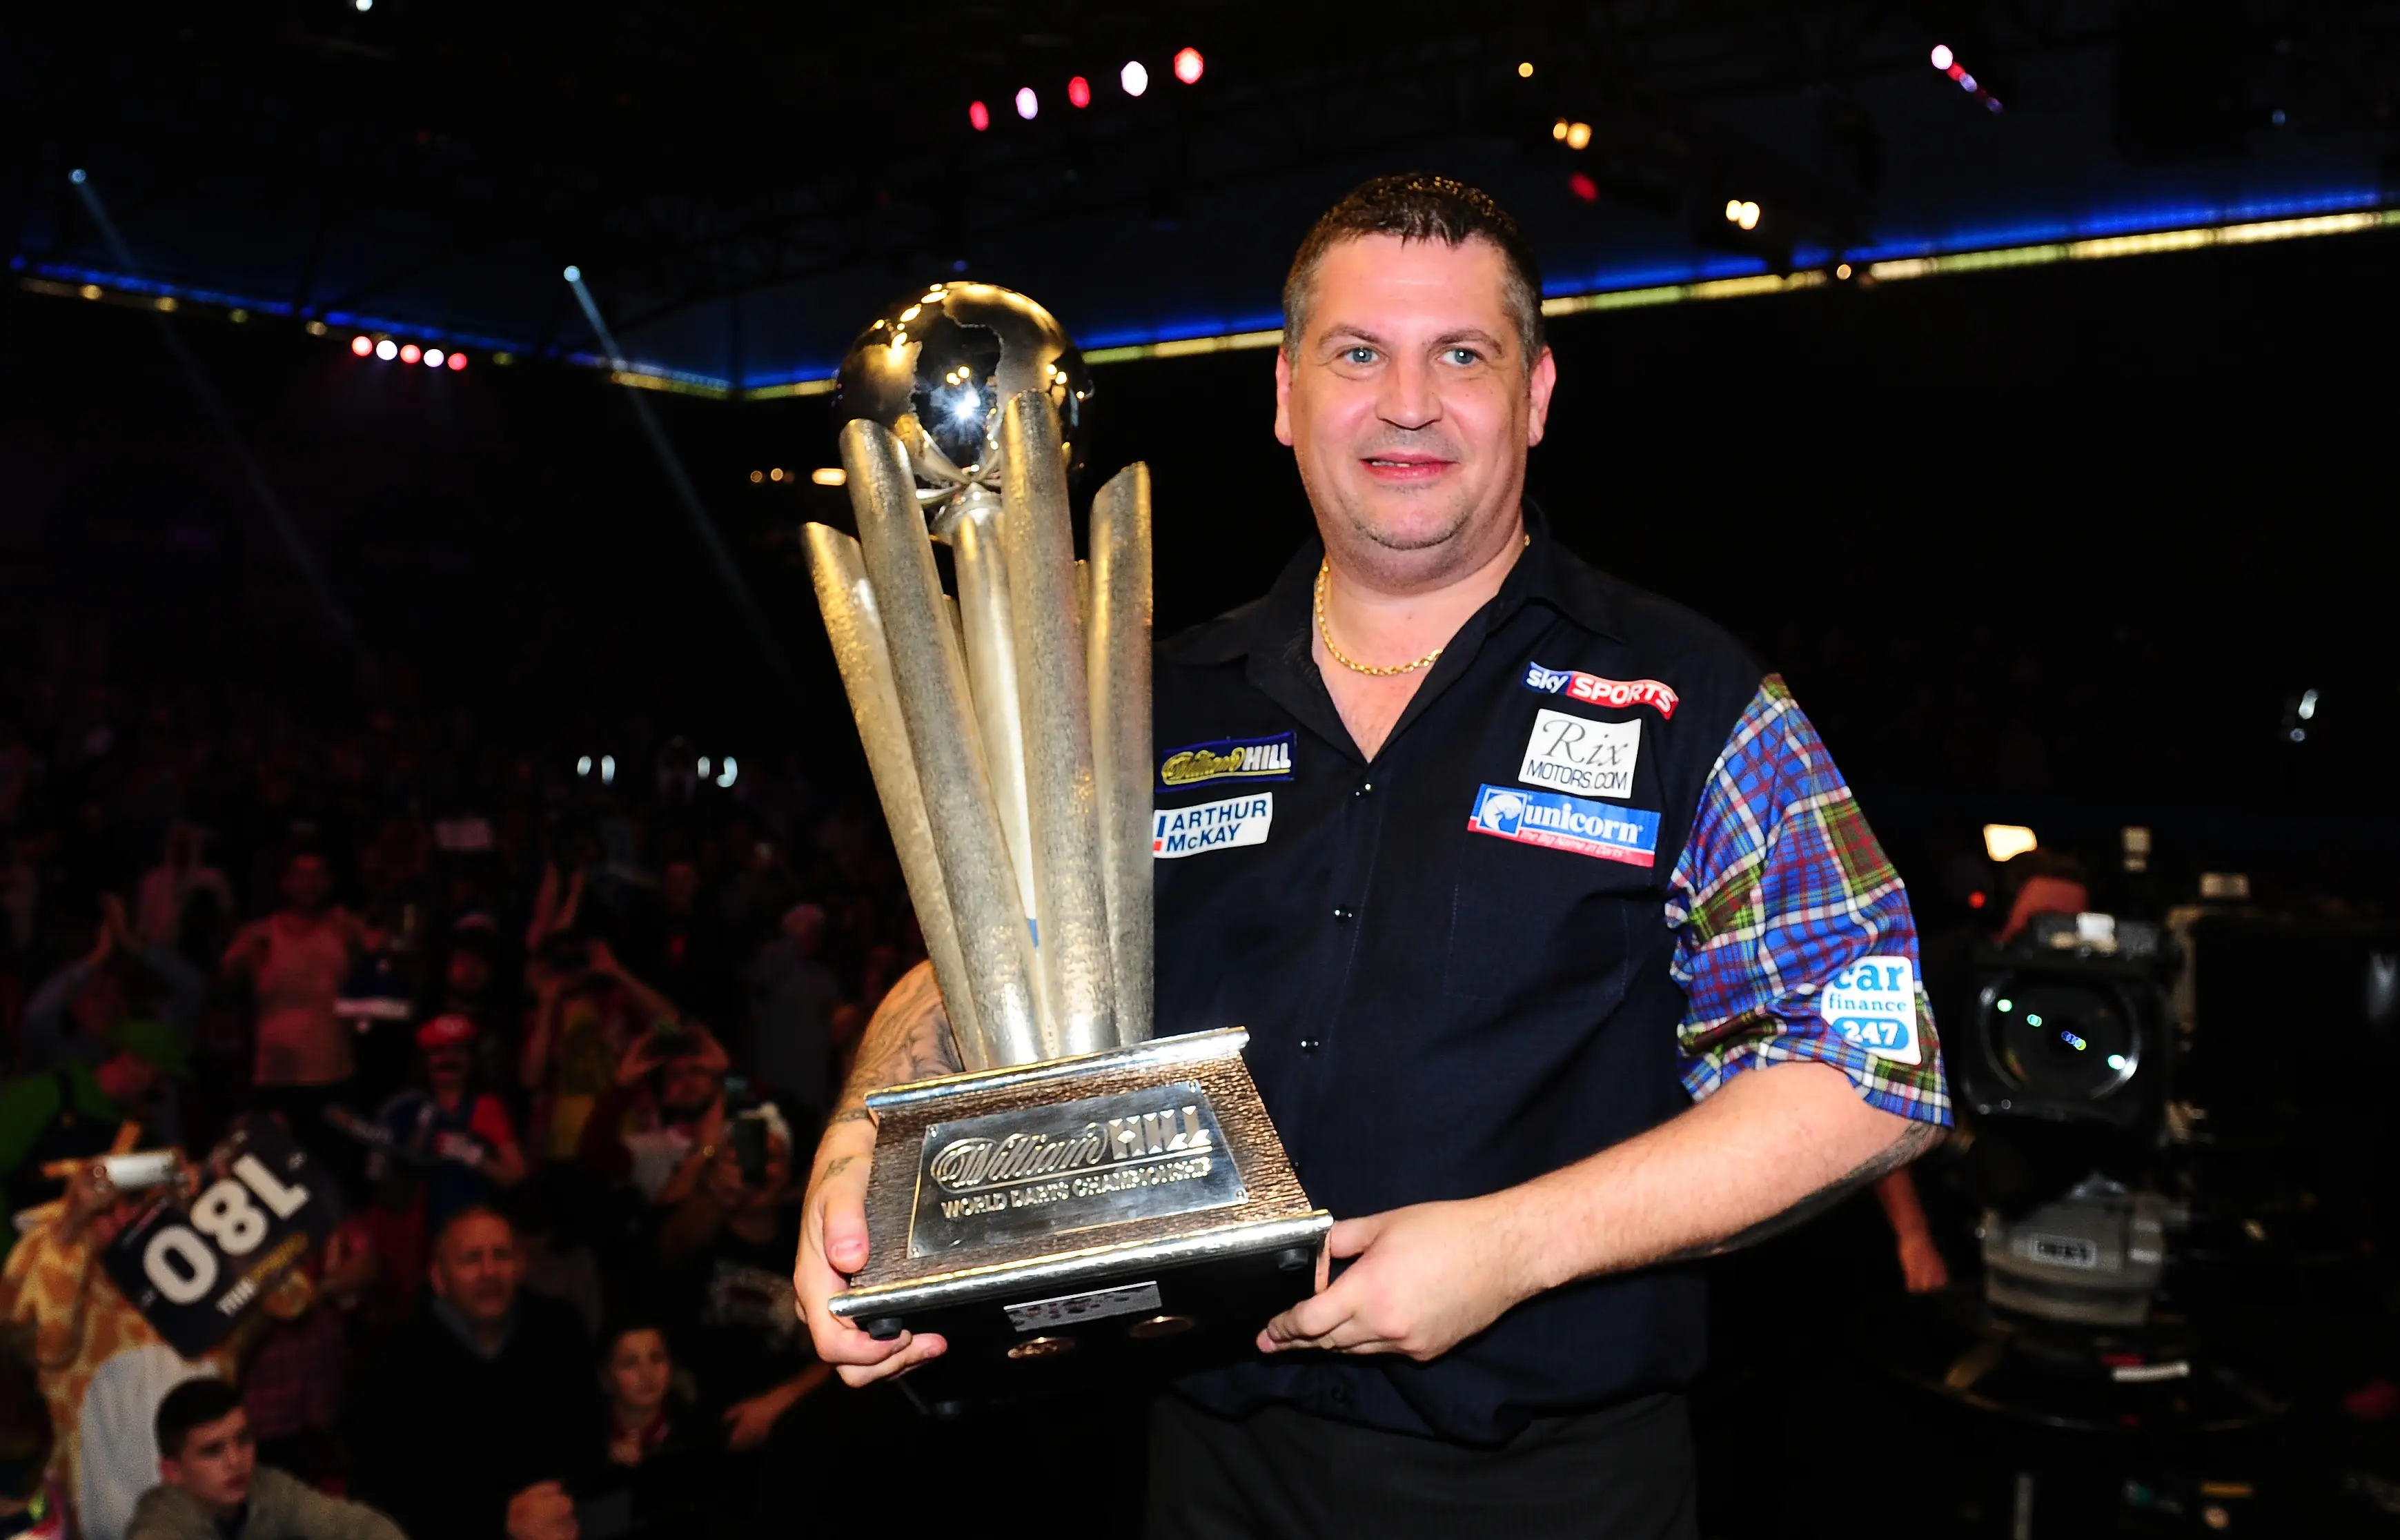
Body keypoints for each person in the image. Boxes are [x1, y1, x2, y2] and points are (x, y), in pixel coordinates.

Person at [796, 174, 1952, 1538]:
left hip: (1547, 1490)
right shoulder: (1142, 701)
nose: (1407, 404)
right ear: (1287, 396)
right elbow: (984, 959)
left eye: (1459, 354)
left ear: (1533, 395)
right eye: (1357, 354)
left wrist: (1511, 1247)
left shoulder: (1685, 696)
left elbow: (1870, 1074)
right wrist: (857, 1147)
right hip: (1204, 1470)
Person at [344, 1207, 596, 1540]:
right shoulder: (393, 1362)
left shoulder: (560, 1329)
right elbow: (383, 1496)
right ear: (438, 1278)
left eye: (502, 1255)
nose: (490, 1272)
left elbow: (587, 1443)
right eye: (471, 1259)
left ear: (521, 1268)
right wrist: (503, 1520)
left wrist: (554, 1510)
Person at [220, 853, 376, 1146]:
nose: (309, 883)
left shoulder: (345, 930)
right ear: (286, 882)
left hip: (333, 1072)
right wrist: (240, 964)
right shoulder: (259, 934)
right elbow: (223, 989)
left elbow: (379, 989)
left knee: (330, 1164)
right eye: (301, 875)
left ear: (329, 882)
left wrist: (366, 946)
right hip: (275, 1075)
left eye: (317, 875)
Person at [126, 1379, 402, 1540]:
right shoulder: (158, 1528)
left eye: (244, 1439)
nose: (235, 1461)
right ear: (173, 1472)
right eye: (212, 1451)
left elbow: (363, 1526)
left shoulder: (268, 1488)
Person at [0, 1020, 188, 1227]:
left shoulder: (139, 1134)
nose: (163, 1095)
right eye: (160, 1081)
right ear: (134, 1063)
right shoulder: (46, 1094)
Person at [372, 1015, 527, 1234]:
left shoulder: (485, 1107)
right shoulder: (406, 1108)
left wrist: (474, 1157)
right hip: (416, 1232)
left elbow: (516, 1174)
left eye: (458, 1051)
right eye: (438, 1052)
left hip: (470, 1228)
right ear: (425, 1061)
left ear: (471, 1060)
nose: (448, 1059)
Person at [740, 904, 837, 1138]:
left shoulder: (822, 977)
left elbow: (832, 1023)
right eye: (808, 930)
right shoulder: (771, 963)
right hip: (772, 1082)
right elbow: (754, 986)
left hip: (808, 1089)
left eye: (816, 932)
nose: (812, 937)